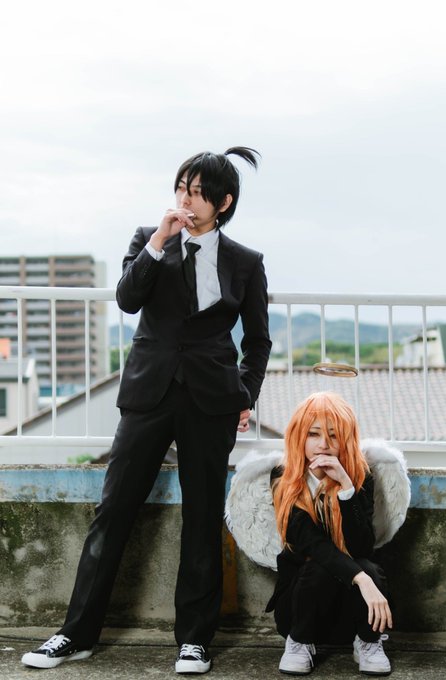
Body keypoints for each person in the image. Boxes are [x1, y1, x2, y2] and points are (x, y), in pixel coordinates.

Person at [21, 147, 272, 674]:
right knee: (113, 510)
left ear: (223, 203)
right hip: (148, 394)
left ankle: (195, 640)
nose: (186, 200)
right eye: (182, 188)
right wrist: (160, 241)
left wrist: (244, 394)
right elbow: (127, 299)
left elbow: (258, 341)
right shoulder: (148, 240)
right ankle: (75, 634)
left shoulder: (246, 262)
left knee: (202, 517)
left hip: (211, 400)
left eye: (198, 192)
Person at [266, 392, 393, 676]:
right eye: (313, 434)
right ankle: (299, 644)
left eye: (333, 436)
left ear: (345, 439)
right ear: (299, 435)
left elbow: (361, 547)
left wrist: (346, 486)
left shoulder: (360, 476)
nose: (323, 444)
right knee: (321, 566)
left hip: (349, 617)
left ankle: (368, 642)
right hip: (299, 612)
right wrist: (361, 579)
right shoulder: (283, 477)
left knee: (369, 566)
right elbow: (311, 544)